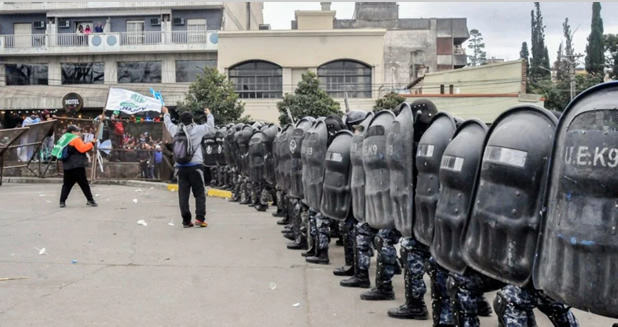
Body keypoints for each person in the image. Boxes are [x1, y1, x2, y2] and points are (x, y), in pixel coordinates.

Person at [162, 106, 215, 228]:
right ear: (192, 120)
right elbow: (210, 126)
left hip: (180, 167)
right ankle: (199, 219)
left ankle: (186, 221)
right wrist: (209, 114)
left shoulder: (176, 130)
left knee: (183, 194)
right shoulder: (198, 130)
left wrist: (166, 113)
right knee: (199, 193)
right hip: (195, 166)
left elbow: (168, 123)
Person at [53, 125, 98, 208]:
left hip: (67, 165)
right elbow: (83, 149)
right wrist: (92, 143)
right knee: (84, 184)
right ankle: (90, 200)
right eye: (77, 131)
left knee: (66, 184)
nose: (79, 133)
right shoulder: (74, 139)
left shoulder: (64, 138)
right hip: (77, 165)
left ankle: (62, 201)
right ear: (73, 132)